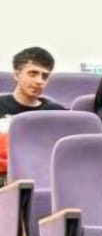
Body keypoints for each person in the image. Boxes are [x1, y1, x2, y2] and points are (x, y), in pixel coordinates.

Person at [0, 45, 60, 173]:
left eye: (44, 76)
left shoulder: (55, 112)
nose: (39, 81)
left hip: (41, 173)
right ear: (17, 75)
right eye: (33, 74)